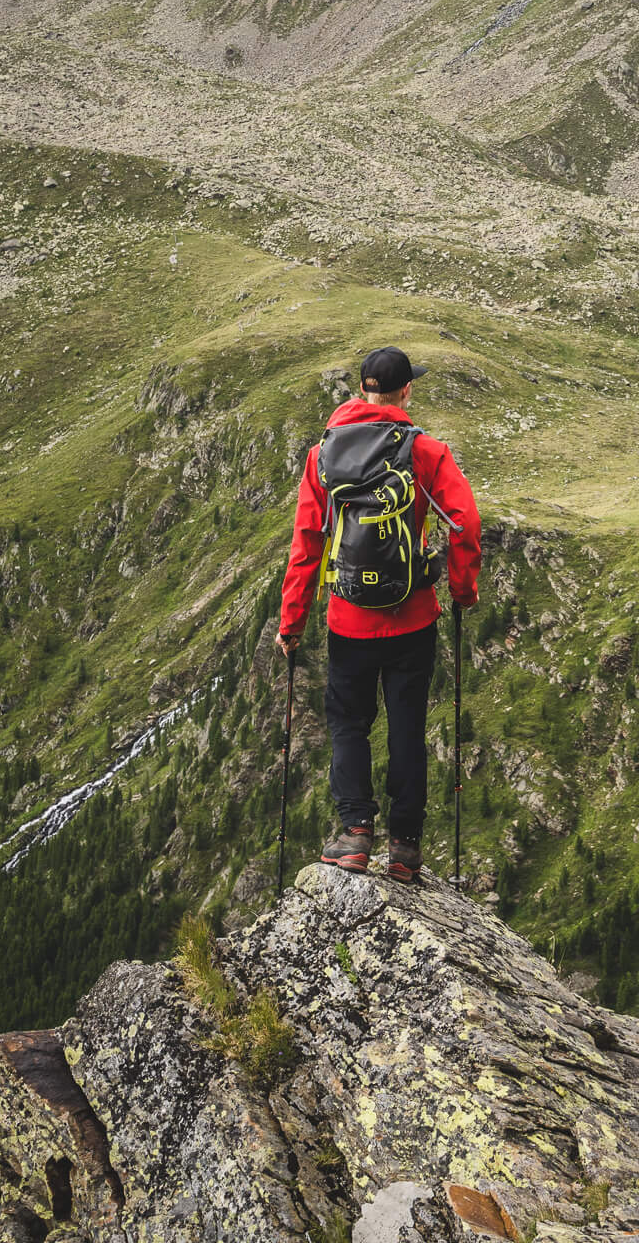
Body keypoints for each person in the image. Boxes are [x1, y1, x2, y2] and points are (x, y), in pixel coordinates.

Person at [277, 345, 480, 882]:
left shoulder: (323, 455)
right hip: (413, 617)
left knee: (350, 724)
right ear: (406, 389)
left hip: (348, 620)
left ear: (362, 389)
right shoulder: (425, 451)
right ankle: (405, 849)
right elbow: (464, 523)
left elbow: (306, 545)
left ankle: (354, 834)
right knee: (407, 727)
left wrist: (291, 623)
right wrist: (463, 592)